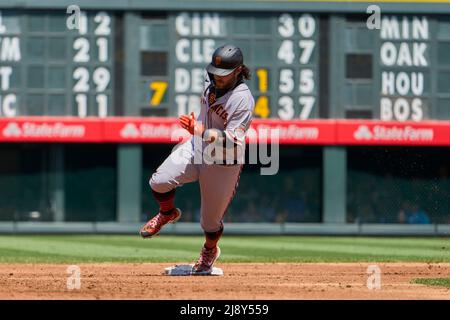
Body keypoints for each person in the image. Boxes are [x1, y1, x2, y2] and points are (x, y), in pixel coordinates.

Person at [139, 44, 255, 275]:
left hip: (223, 162)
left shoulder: (243, 100)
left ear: (239, 70)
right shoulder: (210, 80)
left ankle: (210, 251)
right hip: (196, 148)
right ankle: (167, 213)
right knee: (159, 182)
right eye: (215, 72)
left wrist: (200, 129)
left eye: (223, 74)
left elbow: (233, 140)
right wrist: (198, 133)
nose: (217, 77)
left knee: (210, 224)